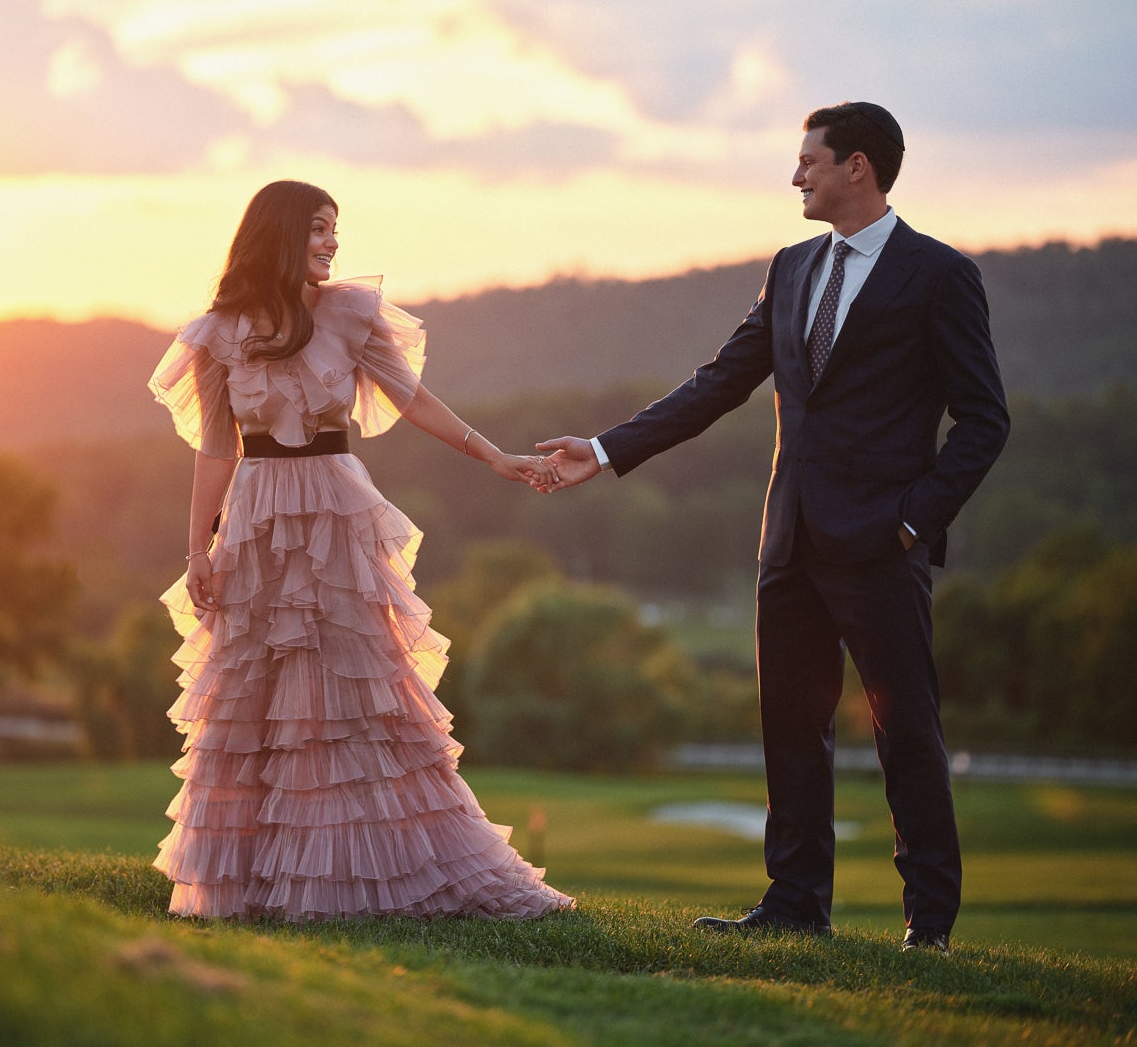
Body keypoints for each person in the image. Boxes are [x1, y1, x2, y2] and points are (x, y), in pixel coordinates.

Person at [538, 103, 1009, 954]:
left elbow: (984, 420)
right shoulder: (790, 268)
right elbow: (719, 382)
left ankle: (929, 926)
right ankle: (795, 903)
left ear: (856, 167)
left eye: (809, 162)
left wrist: (912, 521)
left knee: (907, 729)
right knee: (791, 724)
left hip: (881, 543)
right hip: (788, 539)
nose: (796, 176)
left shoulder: (940, 275)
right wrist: (605, 450)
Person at [148, 179, 573, 921]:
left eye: (335, 229)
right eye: (318, 228)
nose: (332, 243)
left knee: (355, 694)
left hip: (337, 511)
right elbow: (216, 447)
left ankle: (382, 875)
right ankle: (254, 883)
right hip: (256, 518)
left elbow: (412, 399)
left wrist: (496, 455)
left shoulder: (350, 312)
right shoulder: (216, 332)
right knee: (254, 701)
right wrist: (197, 548)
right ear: (279, 233)